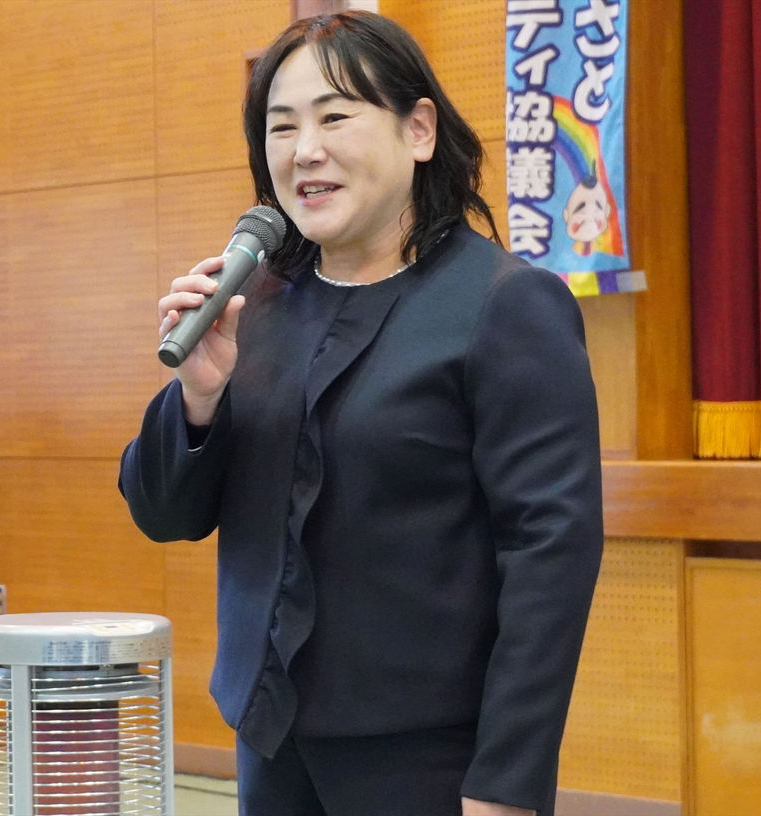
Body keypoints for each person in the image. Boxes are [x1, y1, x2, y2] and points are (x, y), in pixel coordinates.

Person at [119, 11, 602, 816]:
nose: (304, 150)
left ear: (419, 130)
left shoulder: (506, 306)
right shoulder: (255, 304)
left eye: (334, 117)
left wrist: (506, 782)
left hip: (430, 759)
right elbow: (164, 516)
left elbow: (550, 554)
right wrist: (197, 399)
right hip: (270, 740)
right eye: (281, 127)